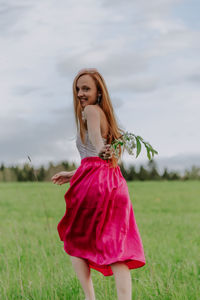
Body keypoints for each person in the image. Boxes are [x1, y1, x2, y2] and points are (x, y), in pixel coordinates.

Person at [51, 68, 146, 300]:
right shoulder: (107, 116)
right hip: (115, 183)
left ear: (98, 92)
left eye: (86, 88)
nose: (80, 93)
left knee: (74, 238)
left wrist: (97, 146)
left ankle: (89, 297)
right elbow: (97, 159)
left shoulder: (91, 111)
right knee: (117, 248)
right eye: (77, 89)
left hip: (95, 186)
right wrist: (73, 173)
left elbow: (94, 139)